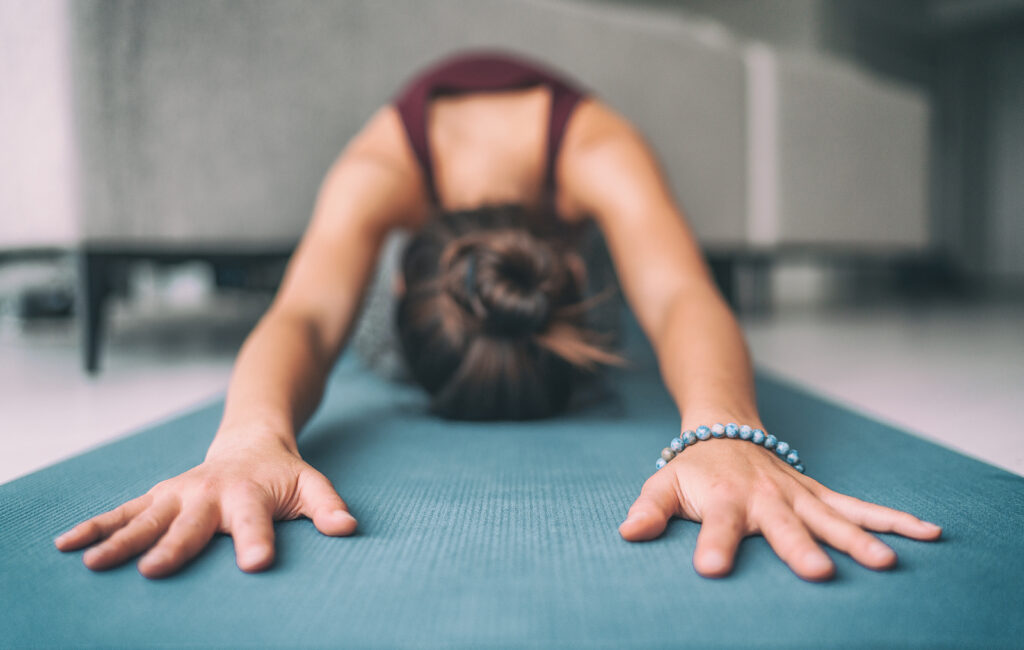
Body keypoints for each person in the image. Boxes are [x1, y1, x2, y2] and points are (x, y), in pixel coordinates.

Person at [54, 51, 942, 581]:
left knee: (607, 322)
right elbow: (306, 317)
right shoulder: (376, 175)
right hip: (434, 261)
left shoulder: (597, 152)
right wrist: (249, 439)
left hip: (551, 254)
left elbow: (677, 296)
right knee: (363, 326)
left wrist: (727, 428)